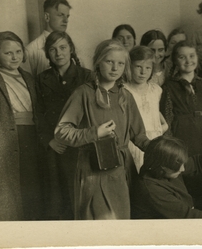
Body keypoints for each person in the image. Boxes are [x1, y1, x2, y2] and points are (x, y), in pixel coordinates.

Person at [54, 39, 150, 220]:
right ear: (98, 63)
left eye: (120, 63)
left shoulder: (125, 96)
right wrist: (94, 133)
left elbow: (140, 137)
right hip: (93, 171)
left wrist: (159, 149)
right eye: (109, 62)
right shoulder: (83, 93)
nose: (115, 68)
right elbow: (61, 132)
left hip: (122, 171)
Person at [0, 31, 43, 221]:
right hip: (2, 145)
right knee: (5, 203)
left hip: (31, 144)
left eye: (18, 51)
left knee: (31, 197)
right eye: (8, 53)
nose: (15, 57)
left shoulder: (29, 78)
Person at [36, 31, 92, 220]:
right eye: (52, 49)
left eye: (62, 47)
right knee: (56, 201)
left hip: (79, 147)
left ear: (71, 49)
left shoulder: (87, 76)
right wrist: (48, 140)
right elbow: (38, 113)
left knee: (81, 199)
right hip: (55, 148)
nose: (58, 53)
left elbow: (92, 114)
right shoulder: (41, 79)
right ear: (47, 54)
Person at [160, 40, 202, 202]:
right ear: (175, 60)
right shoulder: (169, 86)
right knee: (189, 173)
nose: (188, 61)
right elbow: (167, 117)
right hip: (184, 136)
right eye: (182, 57)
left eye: (191, 56)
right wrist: (172, 143)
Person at [124, 46, 168, 172]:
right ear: (129, 67)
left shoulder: (156, 90)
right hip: (134, 141)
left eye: (148, 68)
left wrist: (164, 126)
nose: (143, 72)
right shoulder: (124, 90)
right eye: (138, 67)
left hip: (155, 139)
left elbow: (155, 111)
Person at [23, 0, 72, 77]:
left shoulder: (70, 45)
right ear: (47, 17)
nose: (66, 20)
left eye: (67, 16)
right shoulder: (31, 50)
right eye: (60, 15)